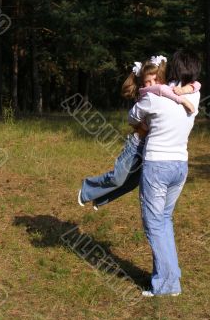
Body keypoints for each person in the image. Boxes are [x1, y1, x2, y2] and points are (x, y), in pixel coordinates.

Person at [78, 54, 201, 210]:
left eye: (155, 80)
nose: (151, 84)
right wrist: (181, 98)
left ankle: (100, 199)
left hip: (152, 149)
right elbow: (158, 90)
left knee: (132, 183)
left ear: (163, 77)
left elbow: (196, 84)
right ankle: (86, 189)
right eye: (147, 82)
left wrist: (183, 90)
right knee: (118, 178)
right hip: (137, 144)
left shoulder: (169, 89)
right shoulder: (149, 94)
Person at [128, 49, 201, 297]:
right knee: (164, 220)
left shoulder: (154, 97)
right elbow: (192, 86)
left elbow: (132, 116)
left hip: (157, 165)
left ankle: (166, 284)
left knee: (154, 224)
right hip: (180, 165)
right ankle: (170, 280)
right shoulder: (196, 94)